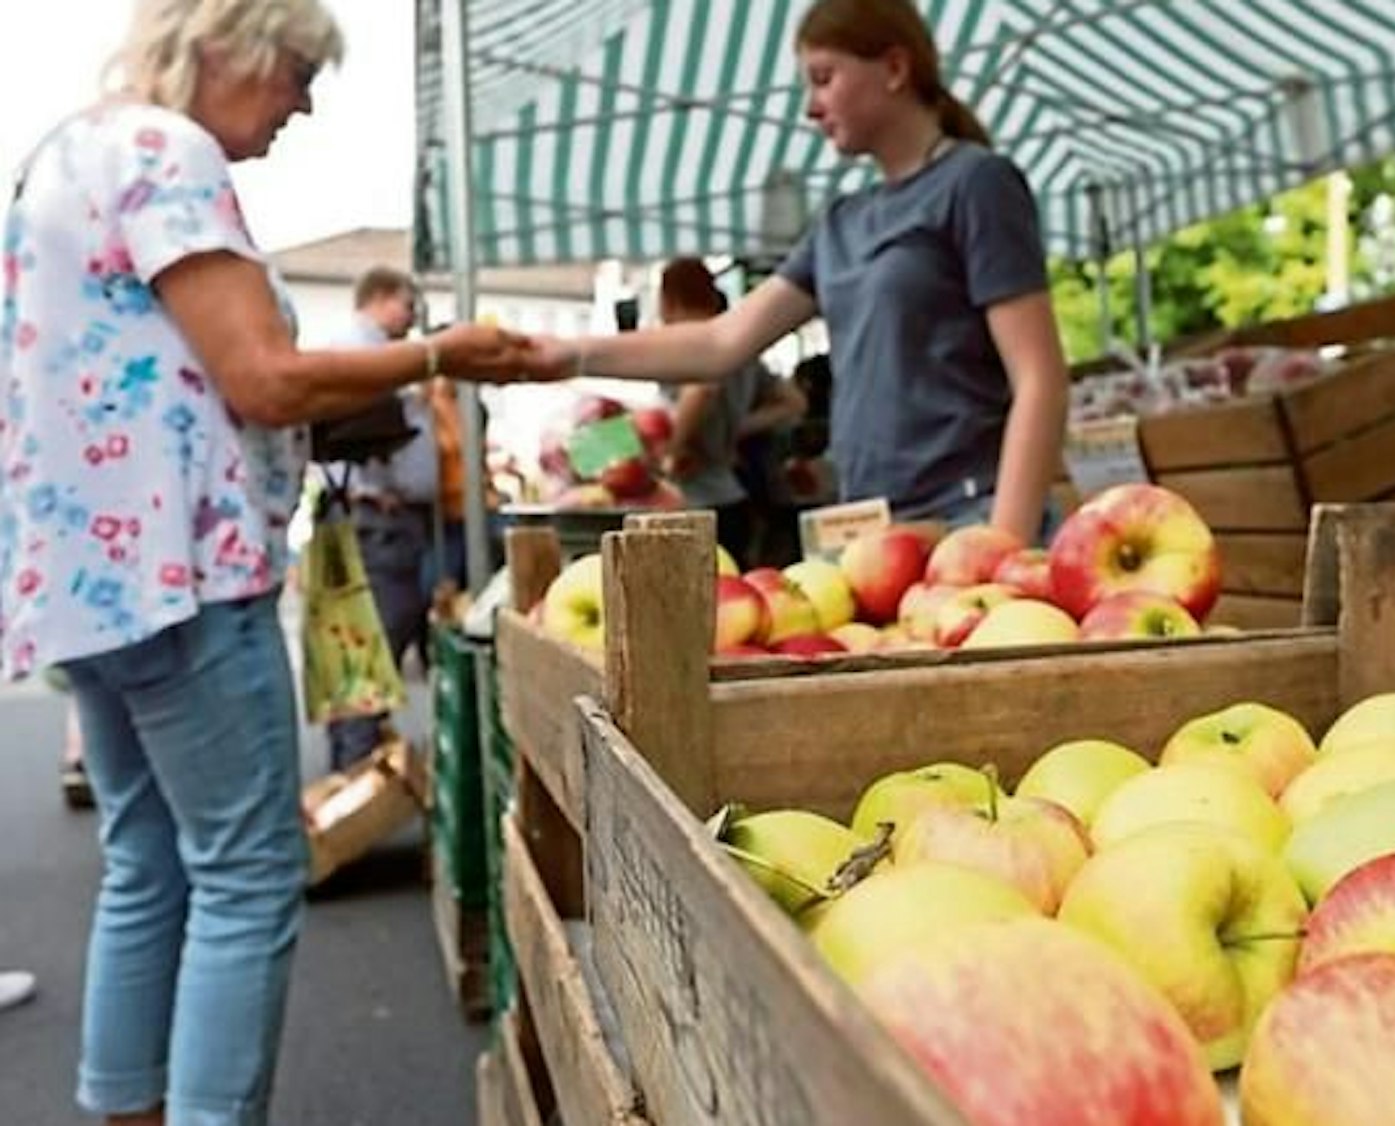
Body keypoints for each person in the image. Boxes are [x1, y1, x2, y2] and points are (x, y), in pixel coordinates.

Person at [0, 4, 562, 1124]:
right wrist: (445, 351)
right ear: (226, 45)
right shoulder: (170, 150)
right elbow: (261, 377)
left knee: (148, 859)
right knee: (248, 872)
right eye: (297, 73)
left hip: (87, 582)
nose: (301, 104)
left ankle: (129, 1108)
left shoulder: (64, 154)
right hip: (182, 569)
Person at [534, 0, 1070, 547]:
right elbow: (722, 342)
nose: (811, 108)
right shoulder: (842, 222)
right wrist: (566, 355)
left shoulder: (975, 184)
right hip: (868, 529)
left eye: (823, 79)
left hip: (966, 517)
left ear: (894, 68)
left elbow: (1040, 378)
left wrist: (1003, 544)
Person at [314, 266, 438, 772]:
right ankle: (356, 778)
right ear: (383, 298)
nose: (411, 320)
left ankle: (356, 775)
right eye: (408, 307)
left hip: (369, 518)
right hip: (375, 519)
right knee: (365, 657)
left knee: (359, 657)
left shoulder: (363, 350)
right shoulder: (365, 352)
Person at [653, 258, 807, 565]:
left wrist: (672, 451)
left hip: (692, 499)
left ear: (668, 299)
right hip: (732, 493)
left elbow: (703, 388)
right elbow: (794, 403)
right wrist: (736, 427)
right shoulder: (739, 348)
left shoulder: (683, 341)